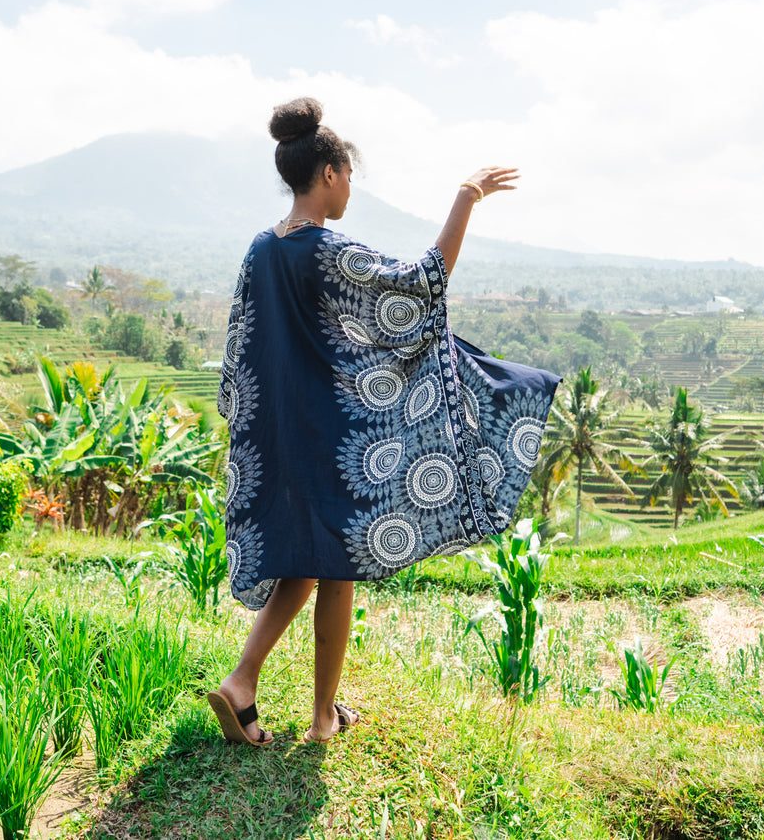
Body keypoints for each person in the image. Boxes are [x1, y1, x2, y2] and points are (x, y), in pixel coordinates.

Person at [207, 97, 560, 746]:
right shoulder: (327, 248)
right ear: (332, 173)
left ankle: (242, 684)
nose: (349, 191)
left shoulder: (261, 249)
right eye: (349, 178)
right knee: (336, 568)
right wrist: (466, 195)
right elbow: (422, 285)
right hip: (329, 433)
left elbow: (241, 345)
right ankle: (320, 718)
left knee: (305, 565)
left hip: (275, 433)